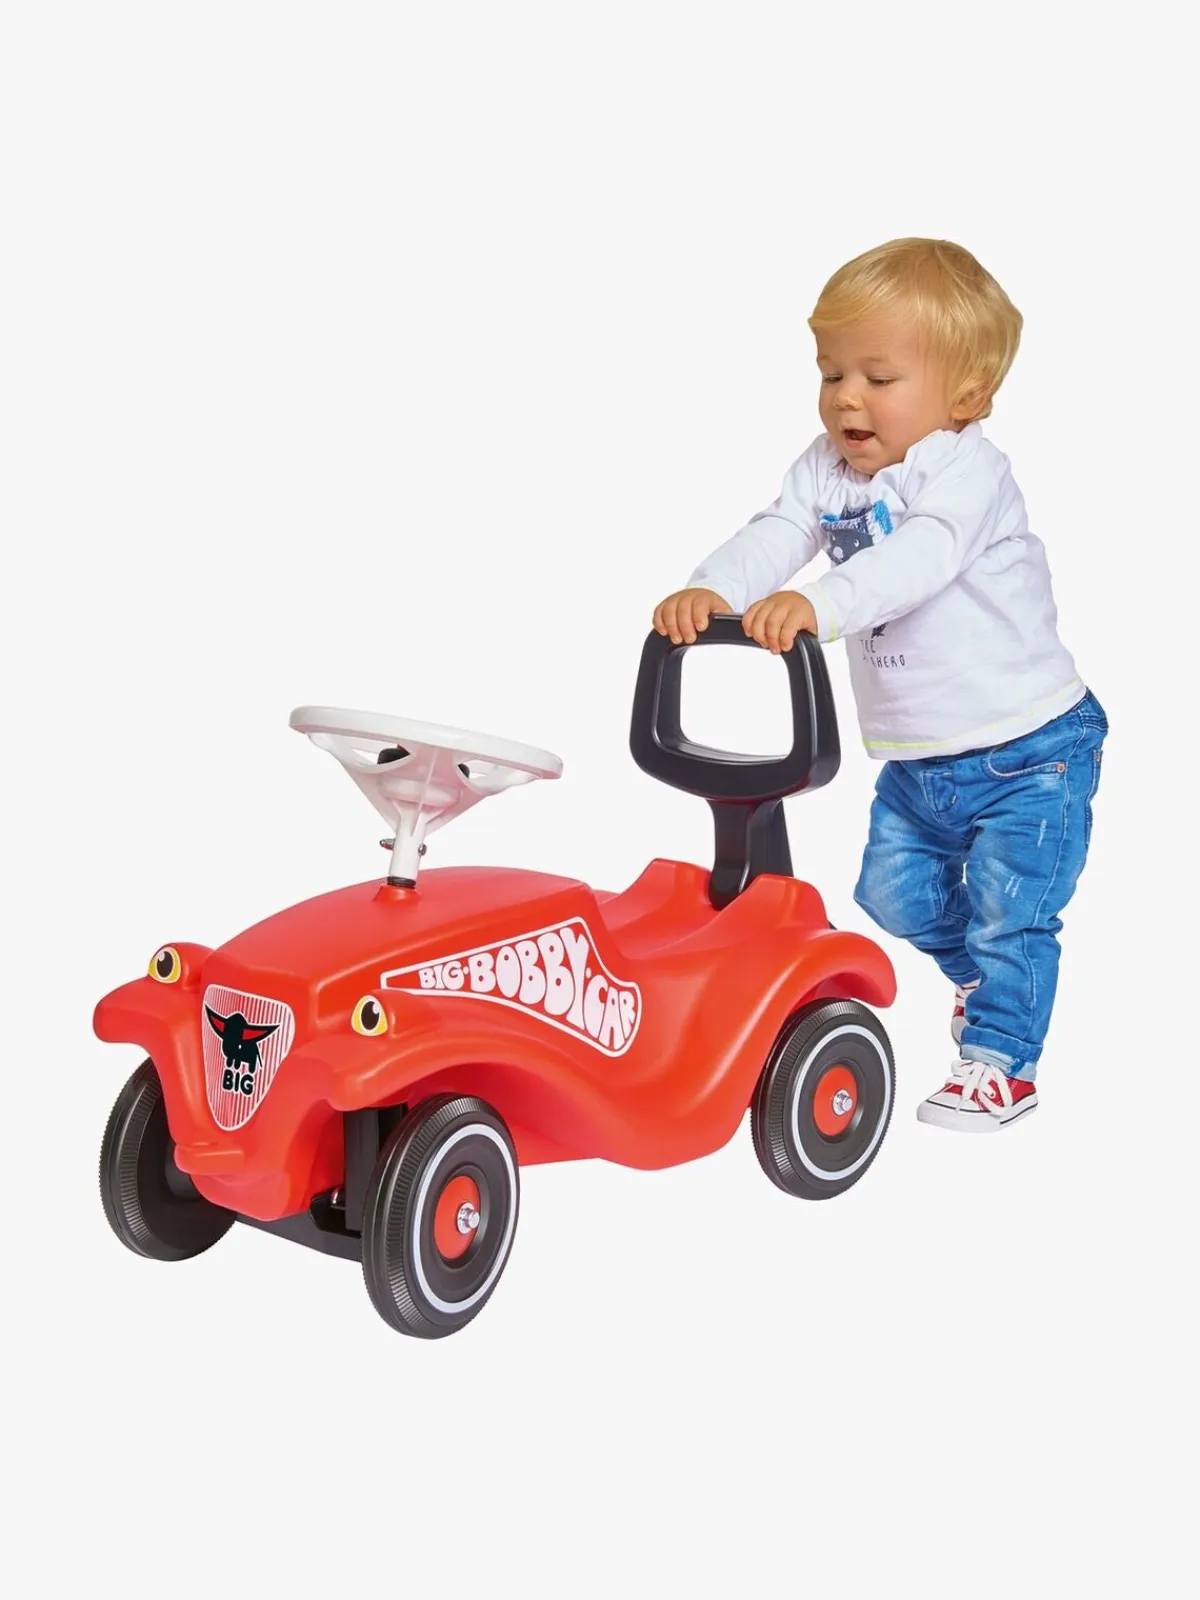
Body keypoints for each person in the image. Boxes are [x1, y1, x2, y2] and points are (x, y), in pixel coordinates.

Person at [652, 237, 1106, 1131]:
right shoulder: (826, 468)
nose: (846, 397)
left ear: (965, 396)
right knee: (891, 893)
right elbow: (778, 529)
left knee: (1012, 915)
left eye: (879, 377)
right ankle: (979, 979)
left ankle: (1001, 1064)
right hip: (921, 758)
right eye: (831, 373)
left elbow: (918, 559)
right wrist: (716, 589)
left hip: (1032, 749)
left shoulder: (968, 473)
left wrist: (819, 607)